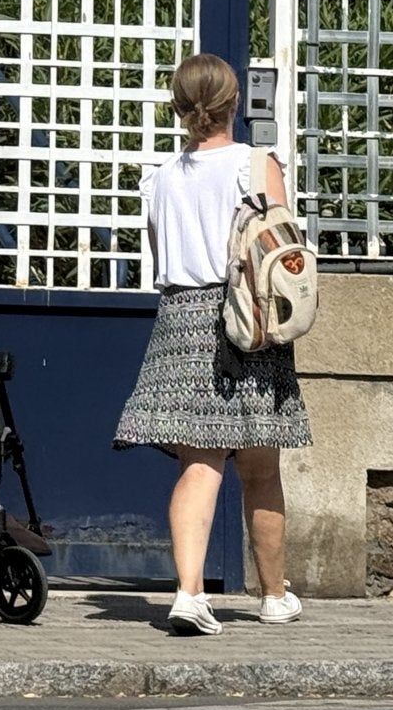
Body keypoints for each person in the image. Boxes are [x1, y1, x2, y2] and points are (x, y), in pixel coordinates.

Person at [113, 53, 312, 636]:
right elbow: (281, 251)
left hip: (179, 318)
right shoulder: (256, 165)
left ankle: (189, 594)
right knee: (261, 467)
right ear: (233, 105)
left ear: (178, 107)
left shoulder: (160, 177)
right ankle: (274, 596)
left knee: (199, 464)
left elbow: (159, 250)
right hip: (243, 316)